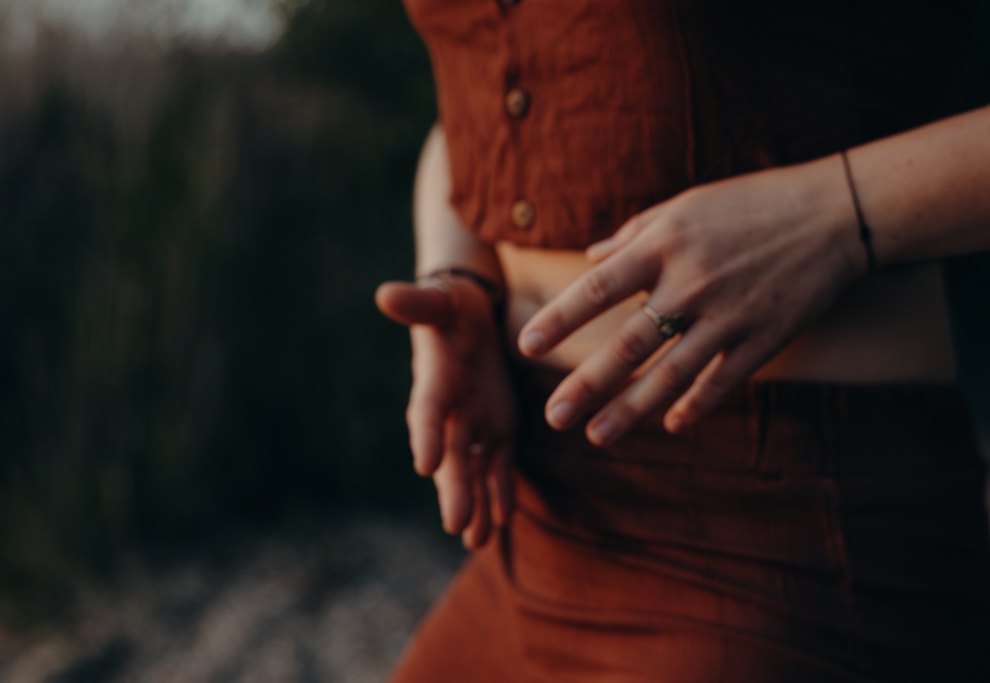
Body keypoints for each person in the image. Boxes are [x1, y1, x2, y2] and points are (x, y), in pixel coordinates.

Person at [376, 1, 990, 680]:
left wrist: (837, 213)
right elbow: (473, 101)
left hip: (781, 539)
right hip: (544, 508)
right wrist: (463, 272)